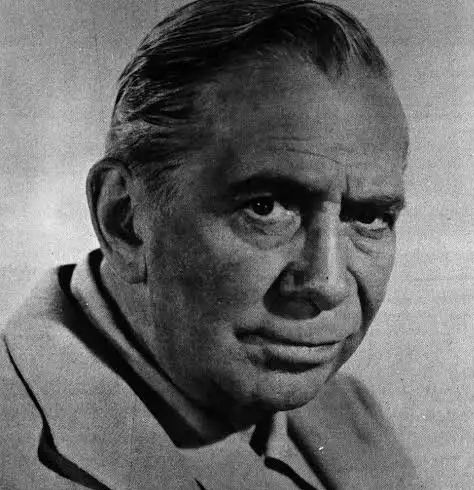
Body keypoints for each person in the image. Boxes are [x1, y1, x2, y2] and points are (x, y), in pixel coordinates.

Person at [0, 1, 422, 488]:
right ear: (125, 221)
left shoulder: (352, 419)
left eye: (369, 218)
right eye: (265, 208)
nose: (327, 284)